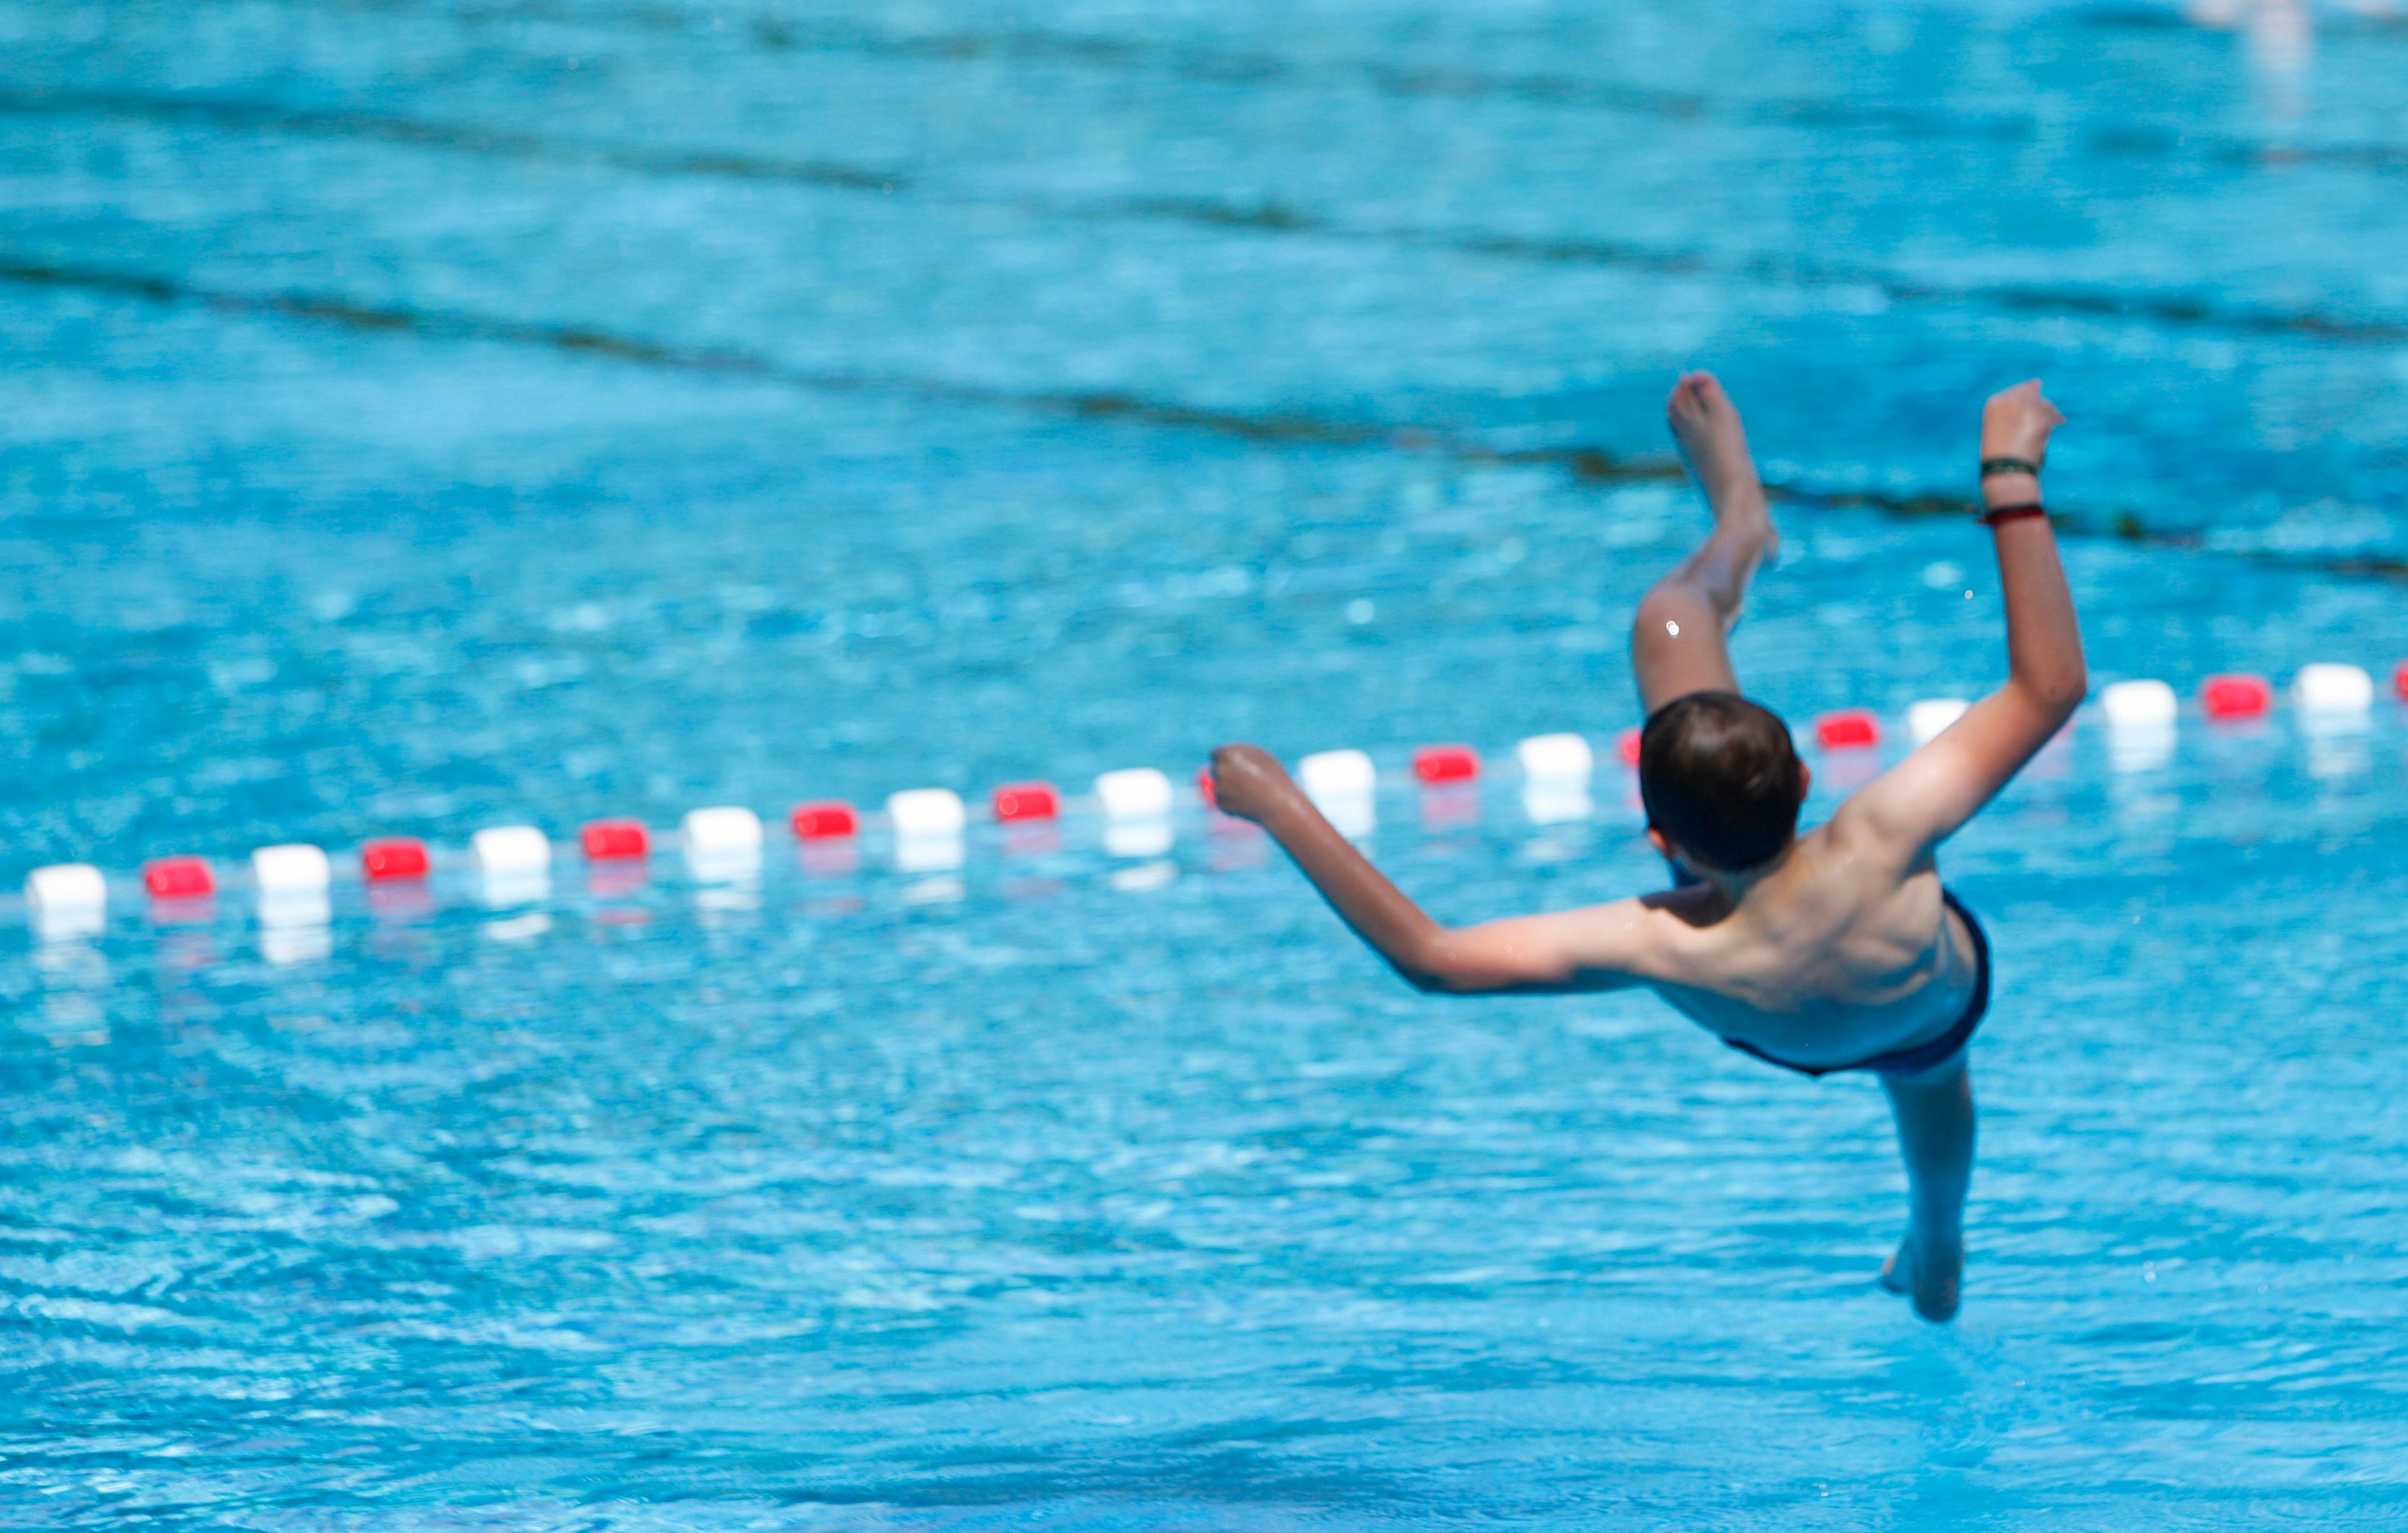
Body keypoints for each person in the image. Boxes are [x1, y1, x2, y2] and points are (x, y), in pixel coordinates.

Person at [1208, 373, 2086, 1322]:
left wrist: (1281, 807)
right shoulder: (1882, 833)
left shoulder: (1659, 939)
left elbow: (1433, 960)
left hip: (1768, 1006)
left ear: (1662, 843)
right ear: (1803, 784)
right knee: (1930, 1077)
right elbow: (2049, 688)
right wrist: (2009, 474)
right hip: (1930, 1006)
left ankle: (1742, 522)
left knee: (1669, 623)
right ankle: (1938, 1241)